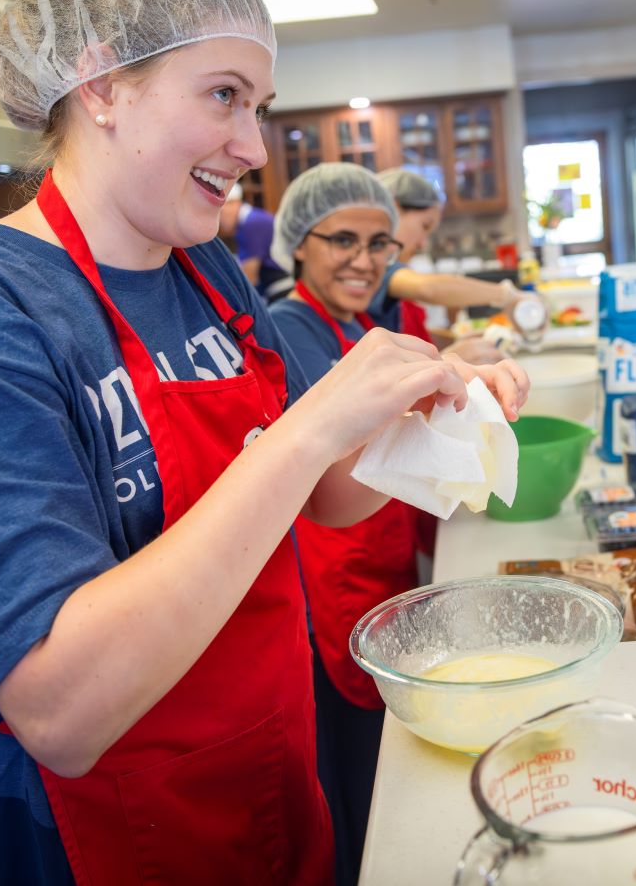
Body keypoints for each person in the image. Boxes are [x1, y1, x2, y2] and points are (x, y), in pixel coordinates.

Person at [0, 0, 526, 886]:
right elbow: (65, 711)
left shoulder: (203, 268)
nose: (253, 148)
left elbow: (323, 498)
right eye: (222, 96)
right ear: (102, 85)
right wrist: (310, 424)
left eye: (259, 107)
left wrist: (425, 419)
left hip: (265, 765)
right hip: (95, 829)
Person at [266, 162, 526, 886]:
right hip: (333, 575)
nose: (366, 259)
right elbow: (339, 453)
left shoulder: (351, 321)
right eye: (342, 239)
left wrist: (450, 367)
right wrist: (441, 369)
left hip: (377, 560)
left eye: (382, 243)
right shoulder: (290, 328)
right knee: (358, 780)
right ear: (298, 243)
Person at [368, 168, 536, 363]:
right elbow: (429, 288)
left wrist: (458, 342)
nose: (423, 243)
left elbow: (404, 340)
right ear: (394, 209)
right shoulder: (375, 268)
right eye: (424, 226)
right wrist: (506, 295)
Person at [217, 180, 291, 299]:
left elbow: (250, 277)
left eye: (221, 212)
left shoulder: (252, 223)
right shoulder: (248, 221)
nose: (219, 221)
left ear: (234, 204)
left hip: (283, 287)